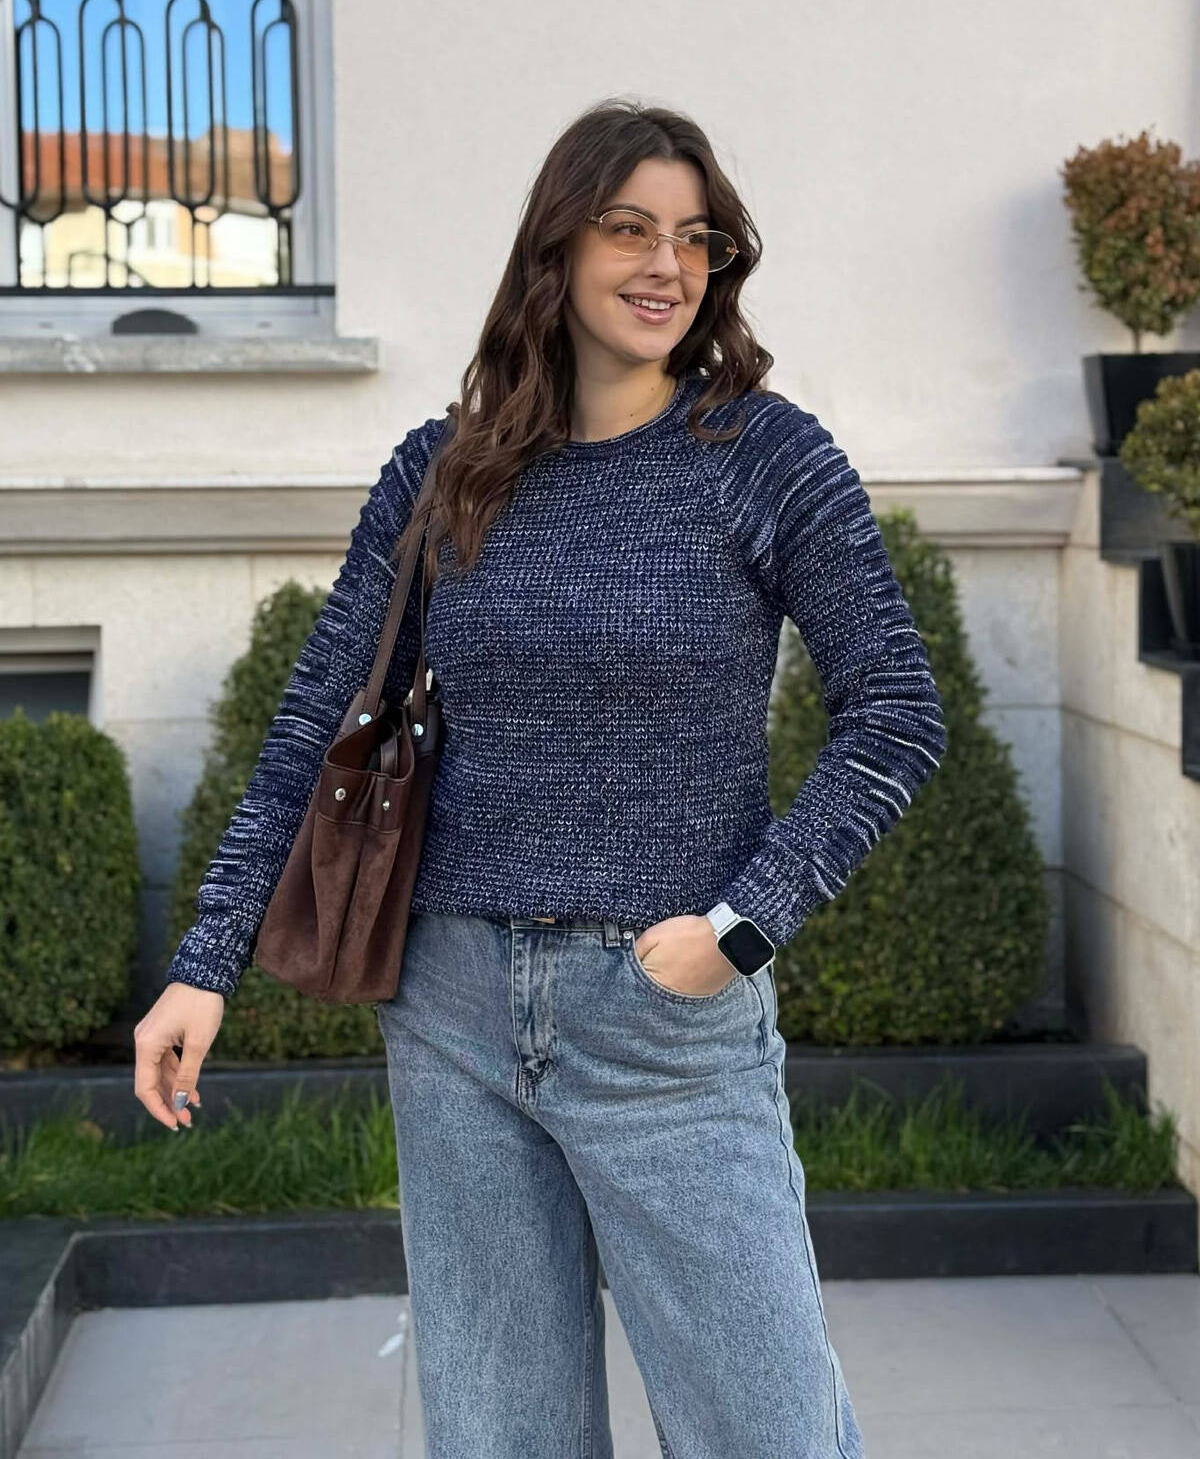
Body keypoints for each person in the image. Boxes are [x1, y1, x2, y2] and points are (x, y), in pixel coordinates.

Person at [135, 96, 947, 1458]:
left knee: (770, 1434)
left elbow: (897, 713)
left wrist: (742, 929)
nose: (665, 265)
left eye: (694, 238)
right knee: (501, 1437)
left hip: (665, 1016)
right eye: (628, 228)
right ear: (556, 249)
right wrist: (205, 962)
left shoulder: (764, 459)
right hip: (451, 1008)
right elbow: (316, 720)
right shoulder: (442, 471)